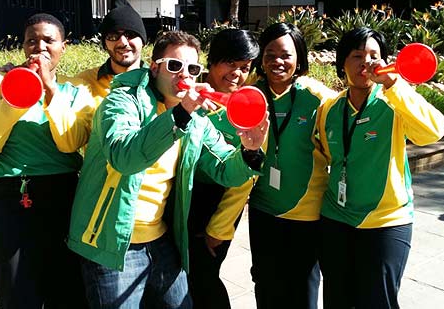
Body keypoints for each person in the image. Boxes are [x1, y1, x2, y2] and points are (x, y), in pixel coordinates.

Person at [67, 30, 269, 309]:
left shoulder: (195, 119)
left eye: (192, 68)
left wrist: (250, 150)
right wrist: (182, 113)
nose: (184, 74)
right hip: (109, 243)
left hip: (160, 240)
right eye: (174, 65)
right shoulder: (122, 101)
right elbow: (125, 157)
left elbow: (224, 167)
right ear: (154, 66)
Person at [0, 13, 95, 309]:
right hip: (8, 199)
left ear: (64, 47)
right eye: (31, 41)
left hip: (62, 197)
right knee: (15, 294)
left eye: (49, 40)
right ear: (23, 46)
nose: (40, 47)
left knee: (67, 290)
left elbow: (70, 142)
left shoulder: (75, 93)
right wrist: (16, 94)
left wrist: (50, 91)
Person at [316, 27, 444, 308]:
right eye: (357, 55)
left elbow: (433, 132)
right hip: (336, 219)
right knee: (337, 299)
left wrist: (393, 85)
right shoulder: (330, 108)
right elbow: (330, 156)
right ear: (342, 64)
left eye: (374, 55)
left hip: (386, 222)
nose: (367, 62)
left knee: (378, 301)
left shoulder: (394, 101)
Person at [210, 22, 335, 308]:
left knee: (302, 290)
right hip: (264, 212)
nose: (277, 61)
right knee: (265, 284)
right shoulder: (249, 96)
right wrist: (221, 225)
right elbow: (237, 162)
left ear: (299, 58)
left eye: (285, 55)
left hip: (308, 216)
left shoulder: (320, 99)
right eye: (269, 54)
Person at [187, 28, 260, 309]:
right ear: (213, 61)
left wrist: (219, 227)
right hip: (180, 197)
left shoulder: (246, 106)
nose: (237, 73)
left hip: (214, 203)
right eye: (231, 63)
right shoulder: (191, 93)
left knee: (204, 278)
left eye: (245, 67)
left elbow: (243, 180)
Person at [77, 0, 147, 104]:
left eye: (130, 34)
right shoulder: (83, 83)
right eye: (113, 36)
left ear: (143, 41)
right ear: (105, 44)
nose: (123, 42)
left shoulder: (159, 83)